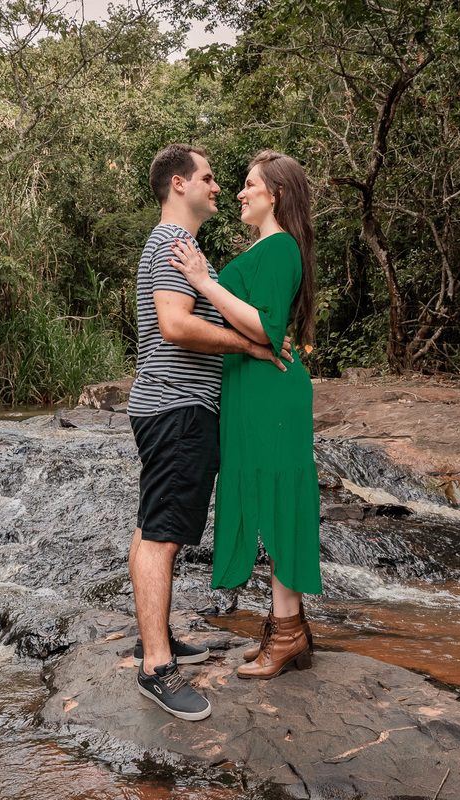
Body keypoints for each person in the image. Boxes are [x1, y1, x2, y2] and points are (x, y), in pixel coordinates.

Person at [128, 144, 292, 720]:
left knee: (152, 526)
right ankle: (156, 668)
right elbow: (175, 325)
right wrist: (249, 345)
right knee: (163, 536)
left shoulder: (178, 245)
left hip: (168, 406)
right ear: (180, 184)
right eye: (209, 177)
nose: (219, 186)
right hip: (177, 408)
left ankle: (157, 641)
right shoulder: (174, 243)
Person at [168, 150, 321, 680]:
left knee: (279, 504)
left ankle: (287, 633)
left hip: (270, 392)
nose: (239, 192)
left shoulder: (281, 246)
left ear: (275, 195)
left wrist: (204, 282)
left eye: (250, 184)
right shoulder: (266, 246)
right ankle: (288, 630)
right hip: (252, 390)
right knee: (268, 501)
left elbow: (266, 328)